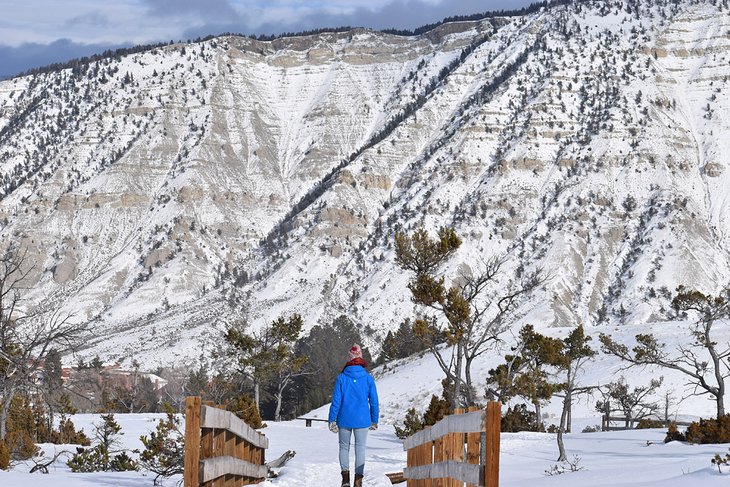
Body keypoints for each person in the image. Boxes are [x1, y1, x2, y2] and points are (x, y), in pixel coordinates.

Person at [328, 344, 379, 487]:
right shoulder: (368, 378)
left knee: (344, 448)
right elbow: (374, 401)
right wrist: (374, 419)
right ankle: (358, 480)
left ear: (349, 358)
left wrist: (332, 419)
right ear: (360, 357)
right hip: (363, 420)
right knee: (360, 449)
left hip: (344, 419)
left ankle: (345, 479)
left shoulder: (342, 378)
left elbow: (336, 401)